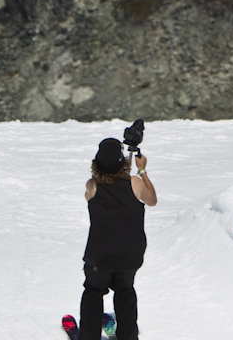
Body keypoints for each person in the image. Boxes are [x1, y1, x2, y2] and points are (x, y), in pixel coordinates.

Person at [79, 136, 157, 340]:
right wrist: (141, 171)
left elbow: (90, 196)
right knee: (125, 292)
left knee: (94, 292)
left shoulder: (92, 185)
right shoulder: (134, 183)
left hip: (100, 256)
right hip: (130, 254)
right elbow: (152, 200)